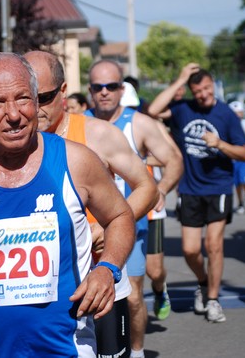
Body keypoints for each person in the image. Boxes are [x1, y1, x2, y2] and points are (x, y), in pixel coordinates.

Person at [0, 53, 135, 357]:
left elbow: (120, 216)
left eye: (23, 99)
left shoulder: (76, 161)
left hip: (69, 349)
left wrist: (107, 268)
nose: (14, 114)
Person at [25, 50, 170, 358]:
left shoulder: (98, 134)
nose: (35, 108)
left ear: (64, 92)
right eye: (27, 98)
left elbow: (147, 186)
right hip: (38, 283)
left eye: (45, 97)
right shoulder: (11, 144)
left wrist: (112, 225)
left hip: (100, 274)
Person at [86, 60, 183, 357]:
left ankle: (137, 351)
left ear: (122, 89)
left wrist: (161, 190)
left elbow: (174, 159)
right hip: (87, 230)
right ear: (89, 90)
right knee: (92, 299)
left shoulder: (138, 123)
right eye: (97, 87)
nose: (104, 93)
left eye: (111, 87)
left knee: (133, 296)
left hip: (132, 224)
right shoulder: (79, 124)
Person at [146, 63, 245, 323]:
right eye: (197, 90)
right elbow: (154, 110)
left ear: (212, 85)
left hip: (219, 187)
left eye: (206, 88)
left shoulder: (226, 114)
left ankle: (213, 299)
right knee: (190, 250)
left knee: (213, 245)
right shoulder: (184, 109)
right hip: (190, 189)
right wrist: (179, 78)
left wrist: (221, 144)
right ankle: (202, 282)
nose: (202, 94)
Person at [229, 101, 245, 214]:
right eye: (234, 113)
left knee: (244, 179)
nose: (237, 115)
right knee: (237, 182)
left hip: (243, 157)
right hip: (233, 158)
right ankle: (240, 202)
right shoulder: (227, 125)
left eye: (238, 112)